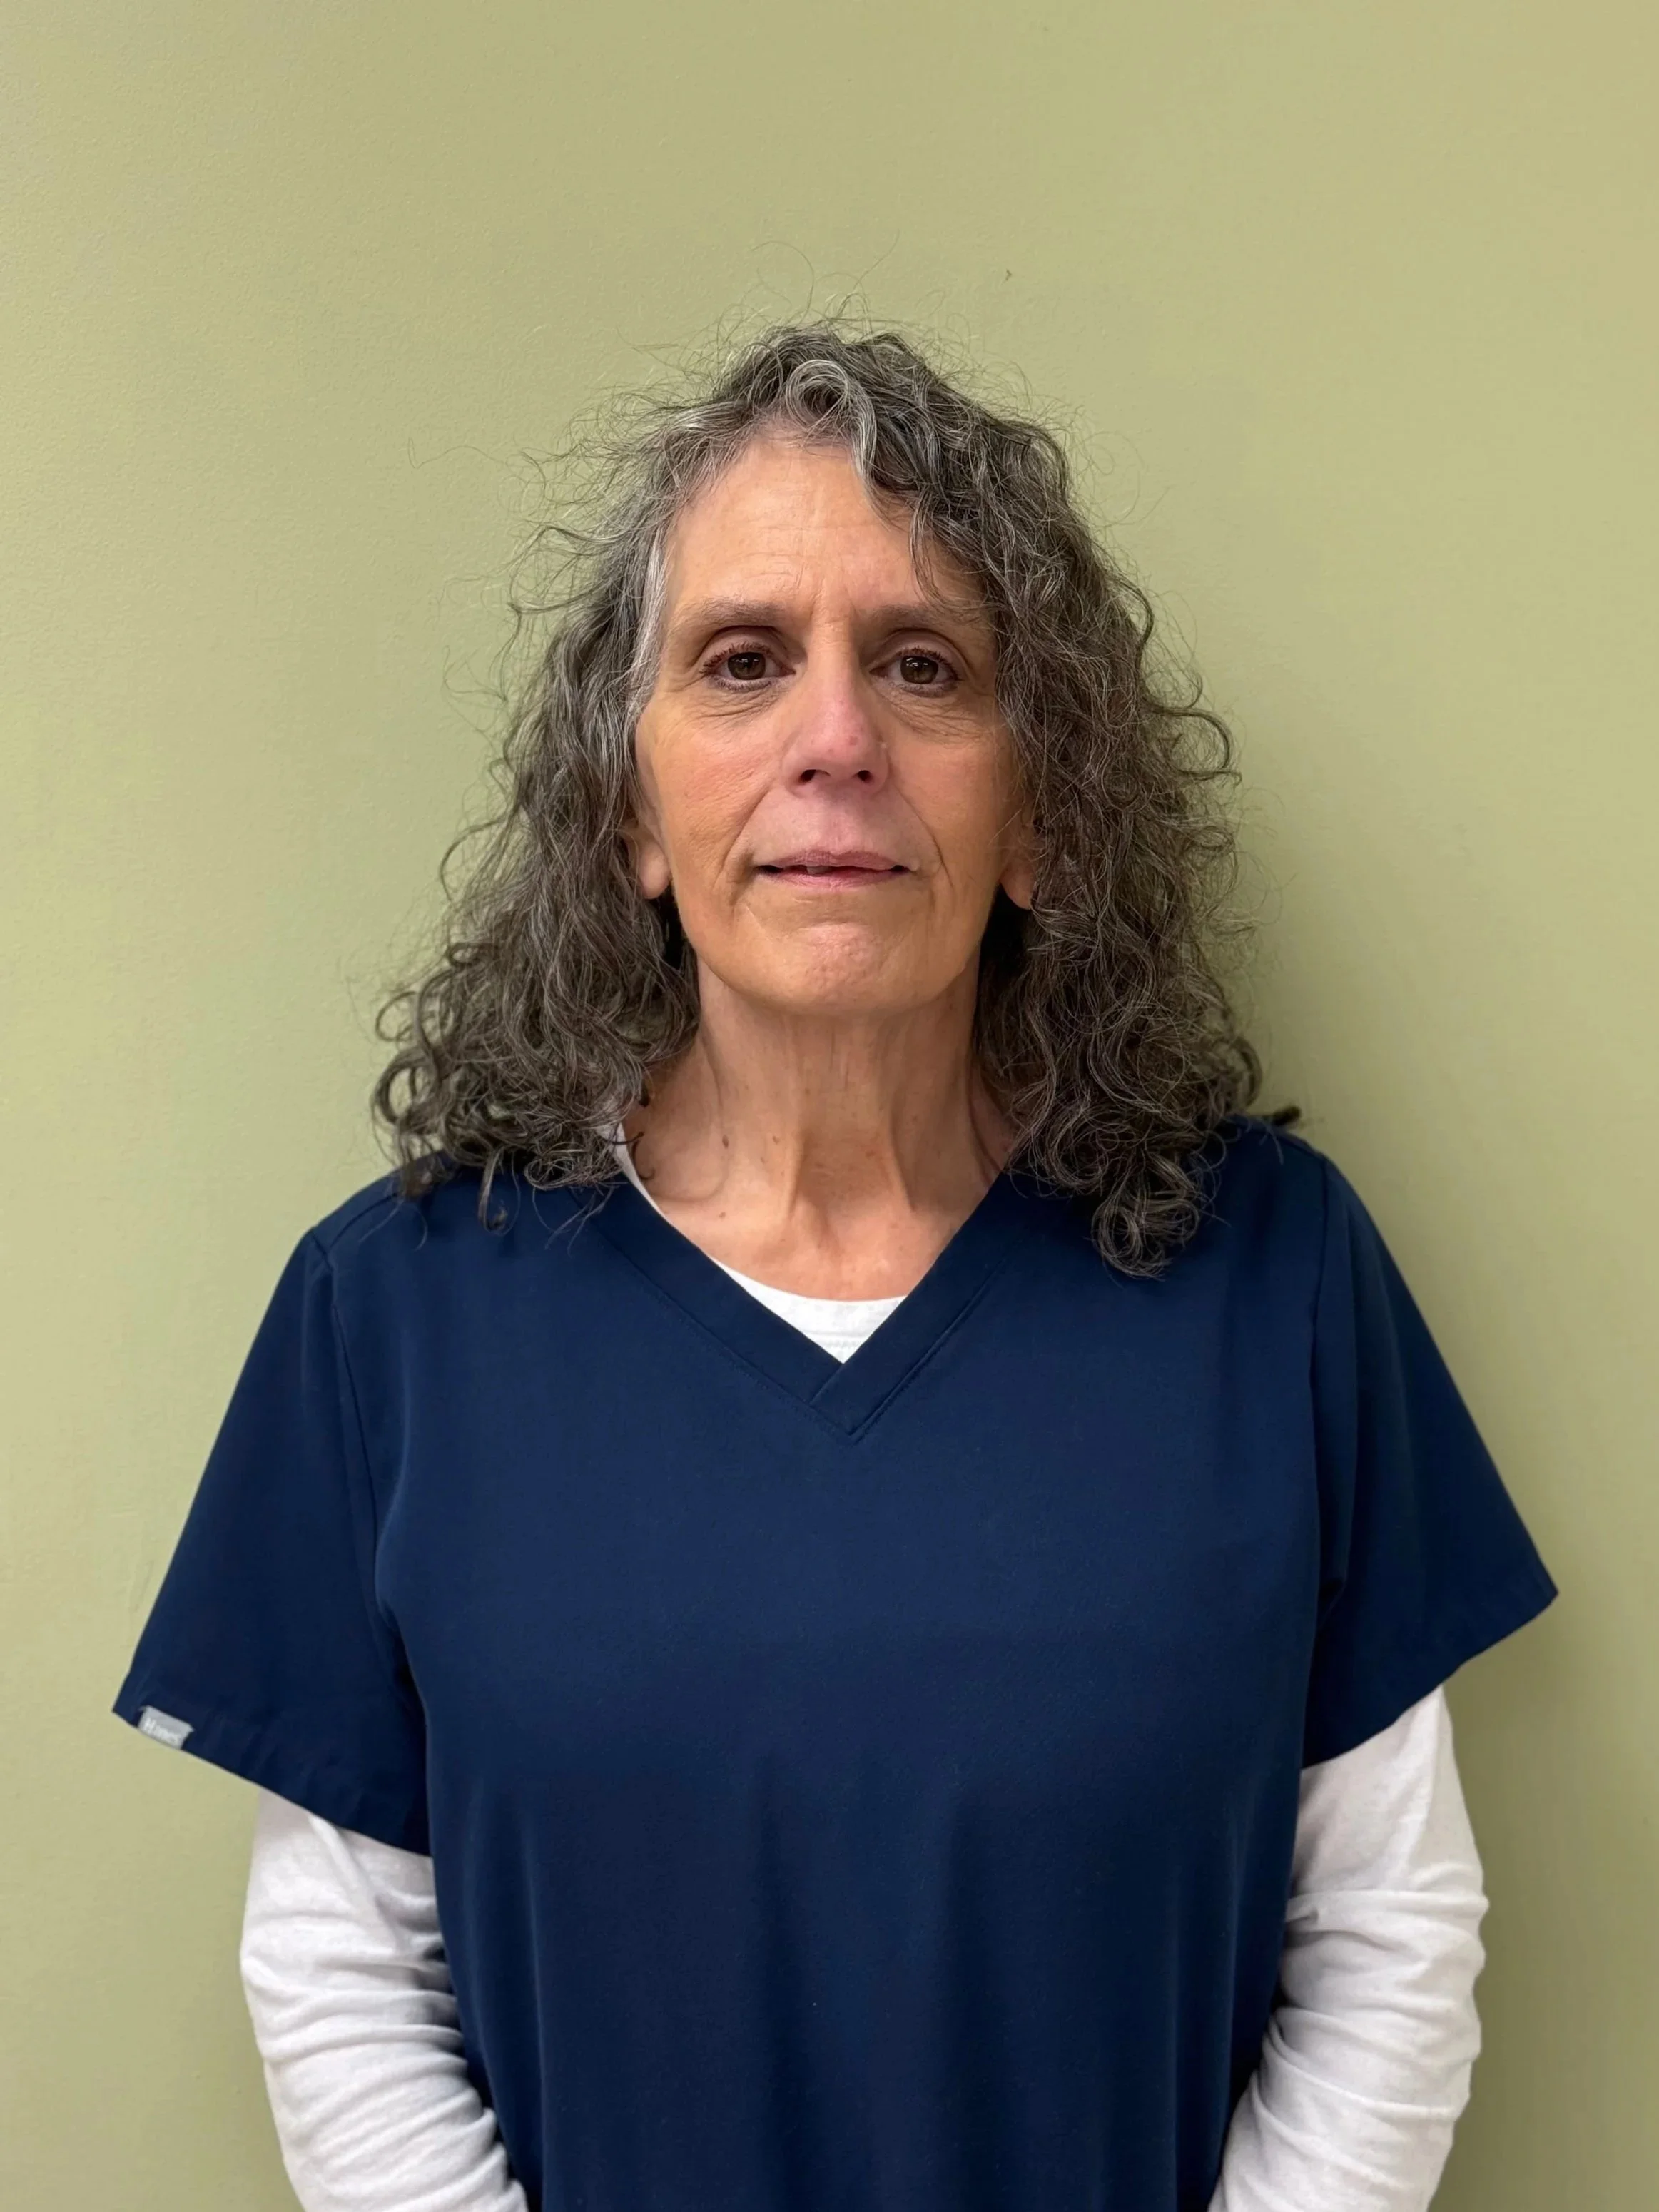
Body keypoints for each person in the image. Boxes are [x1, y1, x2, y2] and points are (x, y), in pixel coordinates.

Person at [115, 325, 1556, 2212]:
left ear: (1038, 814)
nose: (834, 742)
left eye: (923, 668)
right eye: (740, 662)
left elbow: (1385, 1924)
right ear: (627, 810)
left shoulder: (1270, 1276)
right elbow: (342, 1965)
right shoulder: (396, 1318)